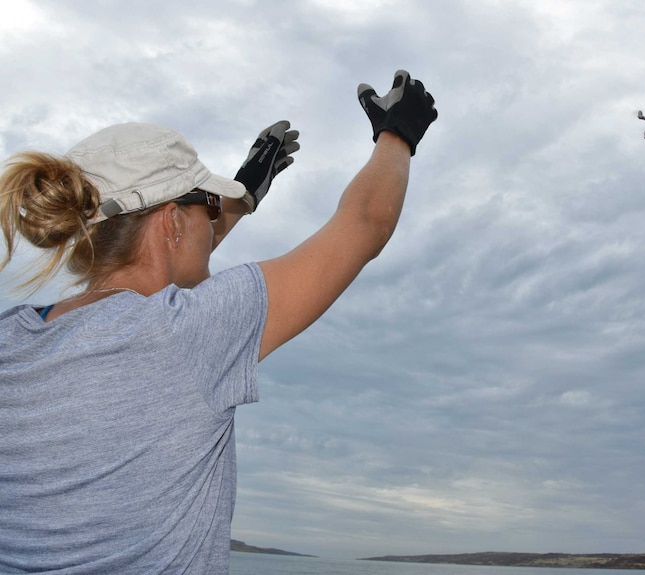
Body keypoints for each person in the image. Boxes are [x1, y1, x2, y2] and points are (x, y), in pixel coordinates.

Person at [0, 70, 437, 574]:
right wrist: (398, 133)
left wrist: (237, 199)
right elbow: (365, 224)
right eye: (207, 208)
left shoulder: (14, 339)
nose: (215, 222)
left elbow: (148, 277)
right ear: (169, 221)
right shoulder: (184, 337)